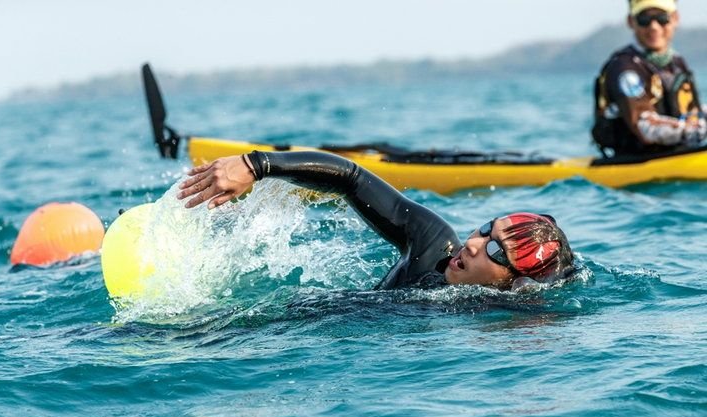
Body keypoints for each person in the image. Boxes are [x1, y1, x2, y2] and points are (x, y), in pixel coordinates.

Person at [177, 151, 575, 290]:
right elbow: (352, 178)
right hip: (304, 321)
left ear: (516, 284)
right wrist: (257, 164)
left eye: (496, 251)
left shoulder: (499, 314)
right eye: (487, 229)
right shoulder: (433, 245)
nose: (474, 243)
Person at [592, 0, 706, 156]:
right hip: (637, 160)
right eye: (644, 19)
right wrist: (693, 131)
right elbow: (646, 127)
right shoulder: (624, 68)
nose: (654, 26)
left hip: (680, 153)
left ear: (675, 18)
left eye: (662, 18)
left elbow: (693, 113)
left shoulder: (677, 63)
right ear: (631, 22)